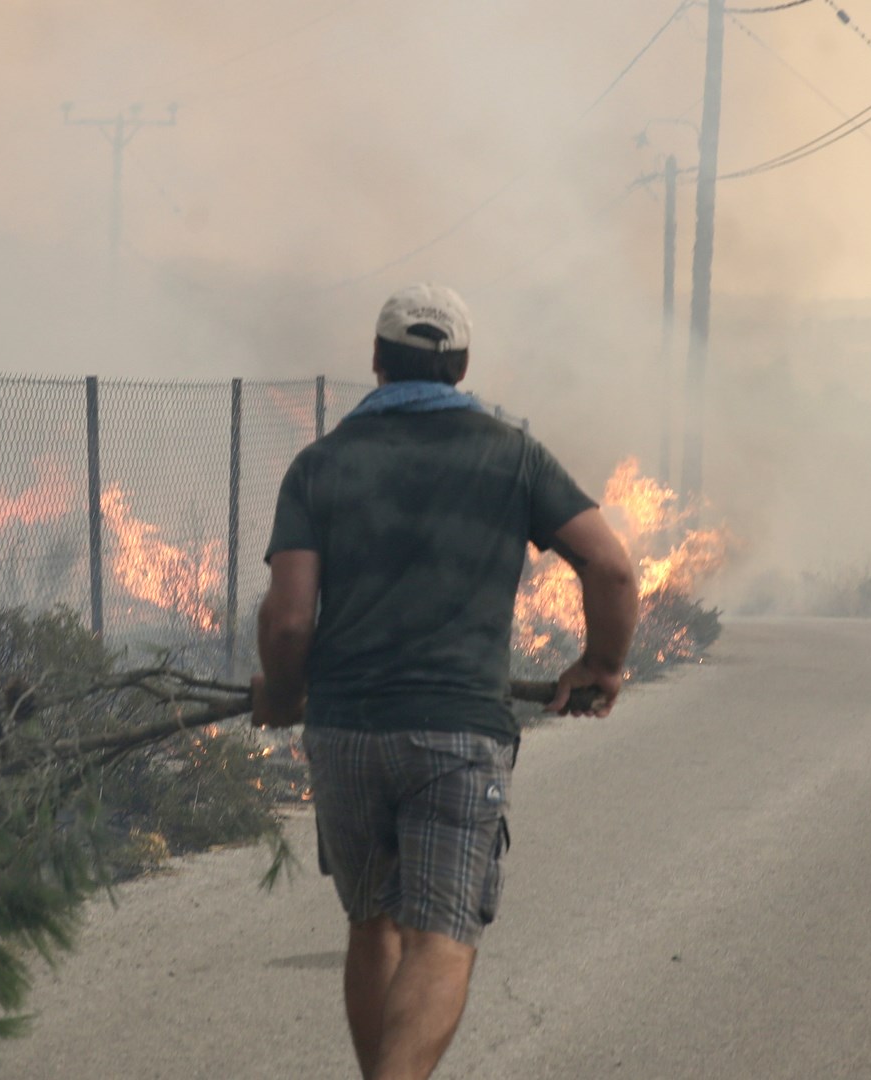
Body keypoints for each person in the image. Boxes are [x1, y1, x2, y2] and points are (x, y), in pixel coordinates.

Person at [251, 283, 640, 1080]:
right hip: (458, 732)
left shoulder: (320, 465)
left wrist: (284, 693)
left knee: (373, 924)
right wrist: (600, 664)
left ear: (375, 362)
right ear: (462, 366)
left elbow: (289, 621)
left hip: (347, 732)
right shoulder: (513, 454)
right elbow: (611, 565)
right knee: (441, 934)